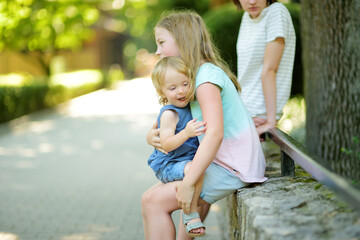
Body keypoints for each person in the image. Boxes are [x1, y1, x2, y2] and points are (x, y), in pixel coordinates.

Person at [142, 10, 267, 240]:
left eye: (161, 43)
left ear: (182, 39)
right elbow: (166, 121)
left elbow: (215, 134)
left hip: (233, 167)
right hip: (225, 162)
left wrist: (189, 183)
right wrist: (153, 137)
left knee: (152, 201)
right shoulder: (192, 77)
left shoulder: (205, 79)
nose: (157, 51)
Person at [148, 56, 207, 237]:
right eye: (172, 88)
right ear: (162, 92)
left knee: (196, 168)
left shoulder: (192, 104)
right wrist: (186, 133)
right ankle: (190, 215)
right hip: (169, 164)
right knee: (193, 169)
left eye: (185, 84)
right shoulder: (170, 114)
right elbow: (166, 144)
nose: (180, 91)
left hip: (183, 161)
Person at [233, 0, 296, 142]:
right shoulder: (247, 17)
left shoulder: (276, 12)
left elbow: (269, 70)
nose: (252, 1)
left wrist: (270, 121)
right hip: (243, 111)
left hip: (258, 114)